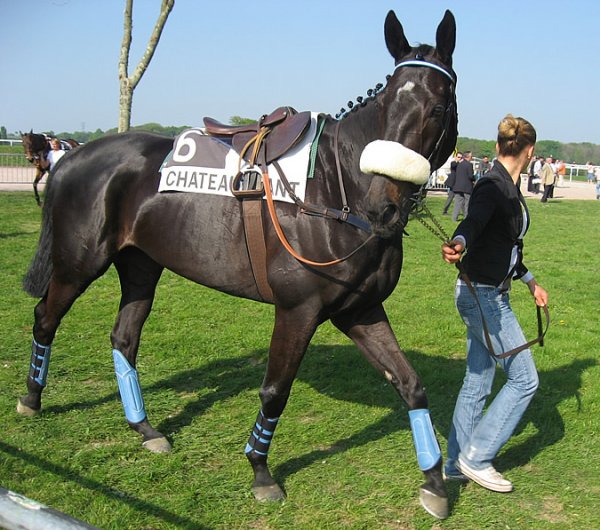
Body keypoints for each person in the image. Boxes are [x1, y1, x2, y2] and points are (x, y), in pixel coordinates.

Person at [441, 114, 548, 493]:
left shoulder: (507, 185)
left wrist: (530, 280)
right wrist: (459, 242)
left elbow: (504, 243)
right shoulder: (493, 186)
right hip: (483, 297)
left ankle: (455, 463)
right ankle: (477, 456)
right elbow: (475, 221)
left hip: (484, 292)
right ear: (530, 151)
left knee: (478, 378)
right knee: (524, 379)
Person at [451, 151, 475, 221]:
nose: (472, 157)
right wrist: (474, 178)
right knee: (467, 204)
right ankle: (466, 218)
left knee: (457, 204)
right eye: (471, 156)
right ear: (468, 157)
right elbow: (470, 176)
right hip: (467, 187)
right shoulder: (469, 165)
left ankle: (454, 218)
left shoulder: (459, 164)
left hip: (458, 186)